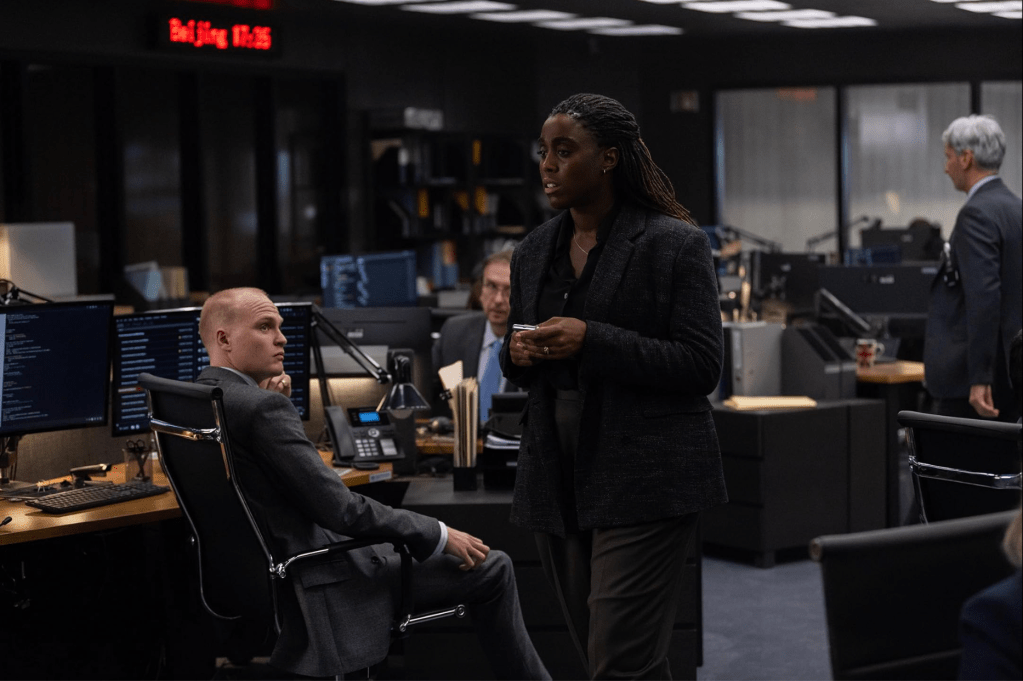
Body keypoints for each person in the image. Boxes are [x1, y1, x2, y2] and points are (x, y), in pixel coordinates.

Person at [195, 287, 549, 679]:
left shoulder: (200, 398)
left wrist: (282, 413)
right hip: (320, 578)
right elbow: (342, 510)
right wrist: (438, 533)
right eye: (265, 327)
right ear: (224, 339)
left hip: (264, 579)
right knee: (494, 566)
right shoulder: (263, 409)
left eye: (279, 326)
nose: (281, 338)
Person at [499, 93, 728, 679]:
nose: (548, 165)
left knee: (618, 659)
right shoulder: (532, 251)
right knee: (612, 656)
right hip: (556, 466)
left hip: (647, 469)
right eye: (544, 151)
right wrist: (516, 353)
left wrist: (592, 340)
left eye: (564, 151)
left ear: (608, 157)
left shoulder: (674, 243)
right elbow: (519, 358)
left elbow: (701, 365)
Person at [925, 114, 1022, 423]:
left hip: (976, 382)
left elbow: (983, 297)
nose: (946, 167)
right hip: (1012, 371)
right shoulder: (1016, 208)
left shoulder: (976, 214)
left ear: (966, 158)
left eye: (948, 157)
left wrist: (979, 377)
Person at [432, 249, 515, 422]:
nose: (498, 300)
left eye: (509, 289)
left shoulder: (534, 342)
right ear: (480, 290)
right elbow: (429, 394)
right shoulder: (454, 332)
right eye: (491, 286)